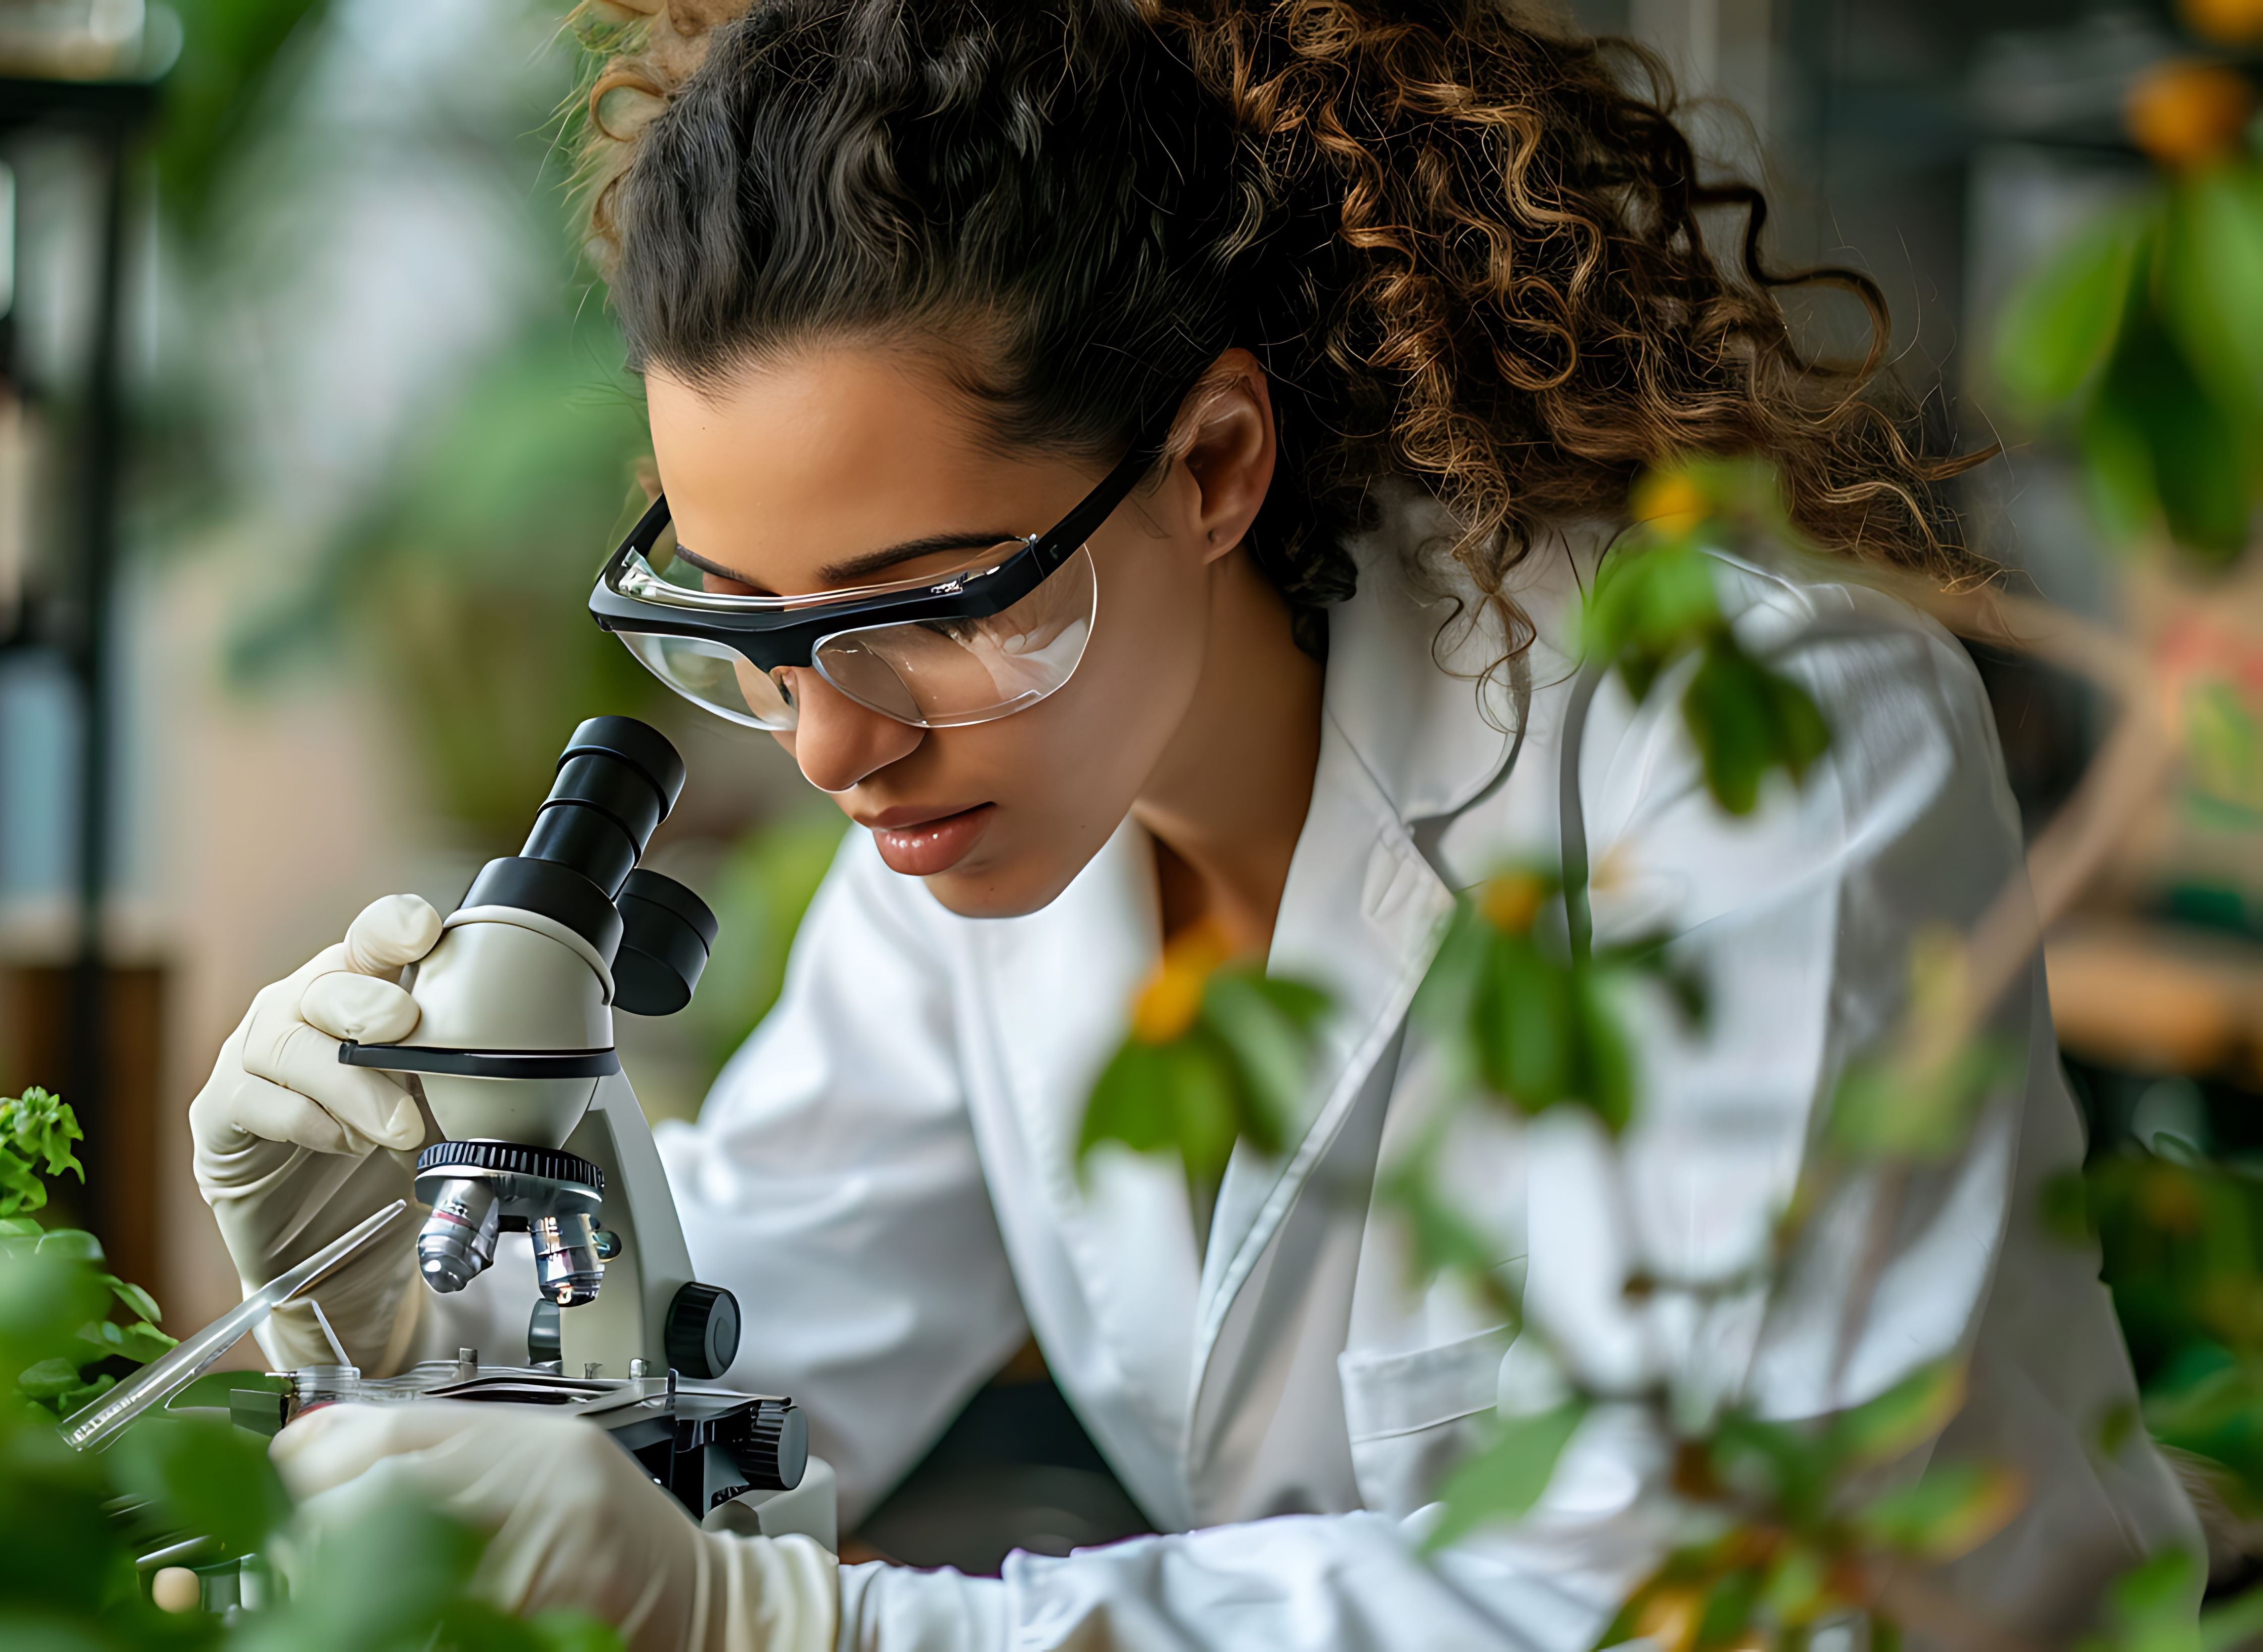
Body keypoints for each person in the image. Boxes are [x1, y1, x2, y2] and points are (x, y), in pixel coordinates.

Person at [189, 1, 2199, 1647]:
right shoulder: (991, 818)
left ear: (1217, 462)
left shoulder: (1748, 739)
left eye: (919, 610)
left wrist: (828, 1634)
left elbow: (1711, 1590)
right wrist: (420, 1303)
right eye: (750, 629)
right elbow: (766, 1346)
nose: (829, 749)